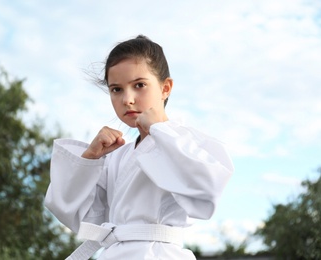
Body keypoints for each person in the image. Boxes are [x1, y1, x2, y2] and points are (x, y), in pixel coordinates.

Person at [44, 35, 234, 260]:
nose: (127, 99)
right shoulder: (116, 156)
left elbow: (208, 188)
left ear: (166, 88)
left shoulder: (186, 142)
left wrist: (160, 131)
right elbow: (76, 215)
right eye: (116, 89)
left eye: (139, 85)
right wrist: (89, 159)